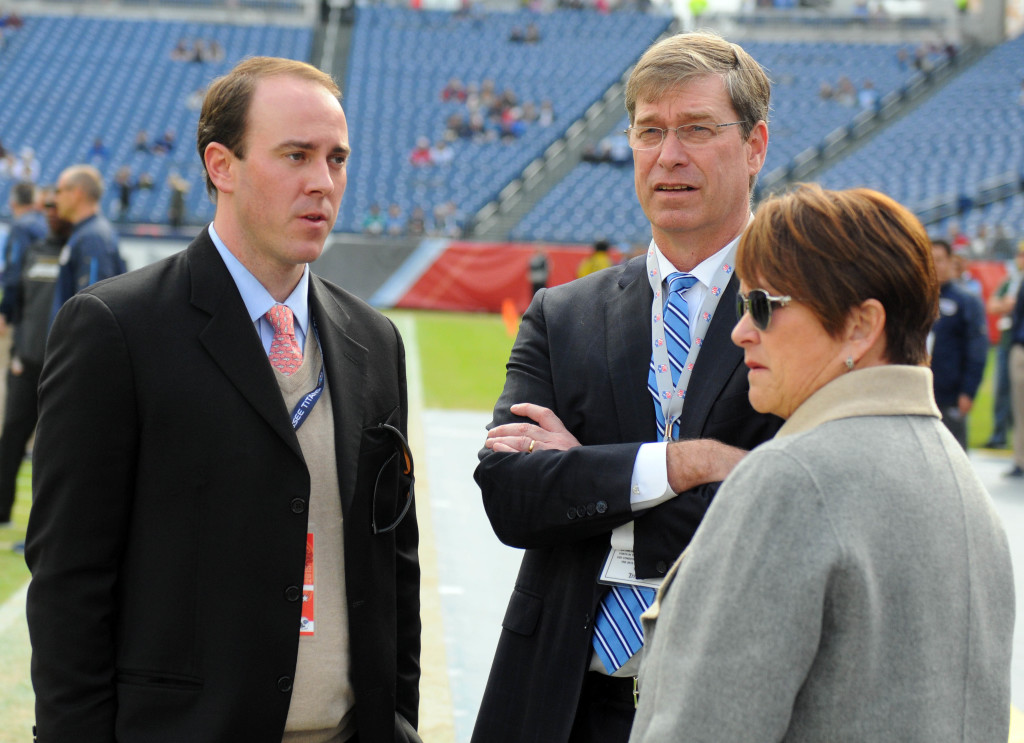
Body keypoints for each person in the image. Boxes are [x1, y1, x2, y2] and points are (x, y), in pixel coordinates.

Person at [26, 56, 422, 742]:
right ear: (221, 165)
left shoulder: (374, 340)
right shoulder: (117, 330)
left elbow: (395, 567)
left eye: (337, 158)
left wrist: (398, 719)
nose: (323, 183)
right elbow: (69, 580)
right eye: (296, 155)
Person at [471, 31, 783, 743]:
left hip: (730, 708)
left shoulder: (797, 310)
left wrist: (586, 477)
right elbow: (511, 498)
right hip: (563, 701)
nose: (669, 155)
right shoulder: (563, 313)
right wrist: (676, 468)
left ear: (755, 145)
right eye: (650, 131)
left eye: (697, 130)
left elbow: (777, 516)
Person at [630, 184, 1015, 742]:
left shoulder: (792, 480)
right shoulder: (961, 484)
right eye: (742, 304)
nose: (741, 330)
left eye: (763, 306)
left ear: (861, 326)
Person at [0, 189, 68, 530]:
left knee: (53, 446)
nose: (51, 214)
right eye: (47, 208)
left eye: (57, 208)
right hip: (26, 362)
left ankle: (44, 528)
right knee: (11, 436)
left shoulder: (75, 255)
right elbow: (23, 307)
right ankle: (1, 512)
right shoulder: (33, 252)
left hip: (61, 366)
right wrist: (14, 354)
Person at [49, 164, 127, 323]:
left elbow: (92, 309)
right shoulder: (84, 233)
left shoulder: (93, 237)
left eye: (59, 191)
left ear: (76, 193)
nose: (56, 199)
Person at [929, 238, 988, 449]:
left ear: (950, 262)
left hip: (950, 395)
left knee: (953, 456)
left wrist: (968, 391)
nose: (935, 265)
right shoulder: (917, 300)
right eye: (930, 259)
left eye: (940, 259)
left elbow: (977, 349)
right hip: (920, 391)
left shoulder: (966, 301)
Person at [984, 244, 1023, 448]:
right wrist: (1006, 306)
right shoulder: (1011, 281)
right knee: (1002, 389)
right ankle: (1000, 434)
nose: (1021, 259)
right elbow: (992, 305)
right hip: (1007, 340)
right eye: (1020, 255)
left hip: (1019, 343)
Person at [1, 180, 46, 288]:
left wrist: (7, 303)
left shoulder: (21, 227)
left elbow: (15, 267)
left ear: (13, 203)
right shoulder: (44, 222)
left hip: (25, 292)